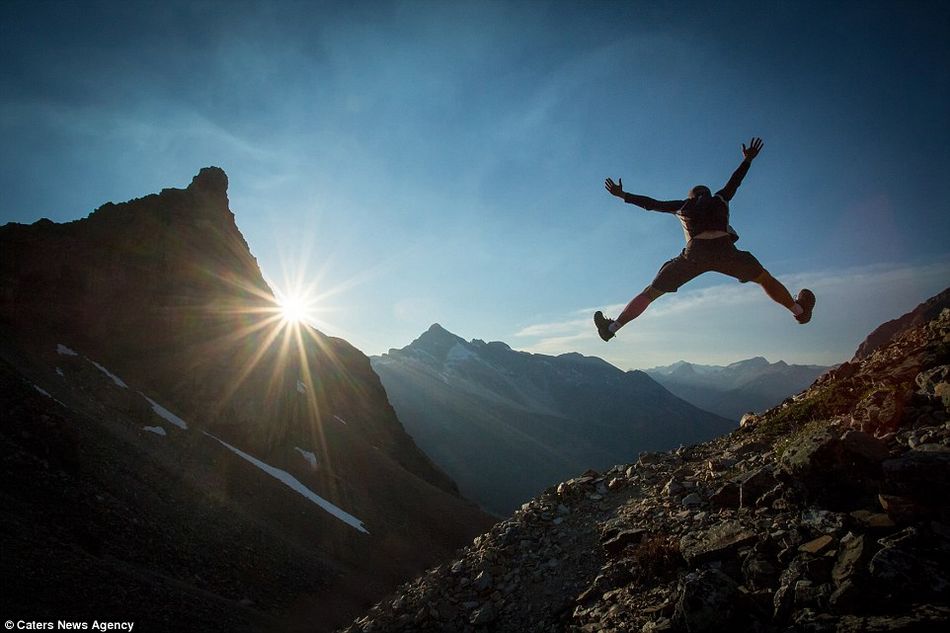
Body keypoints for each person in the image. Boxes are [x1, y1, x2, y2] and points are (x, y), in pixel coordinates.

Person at [594, 137, 814, 342]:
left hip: (694, 254)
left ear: (691, 196)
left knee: (651, 292)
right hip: (725, 250)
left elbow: (651, 204)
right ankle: (799, 311)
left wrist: (623, 195)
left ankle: (611, 328)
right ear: (708, 193)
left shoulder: (683, 205)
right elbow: (735, 181)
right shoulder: (720, 198)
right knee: (764, 279)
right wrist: (747, 159)